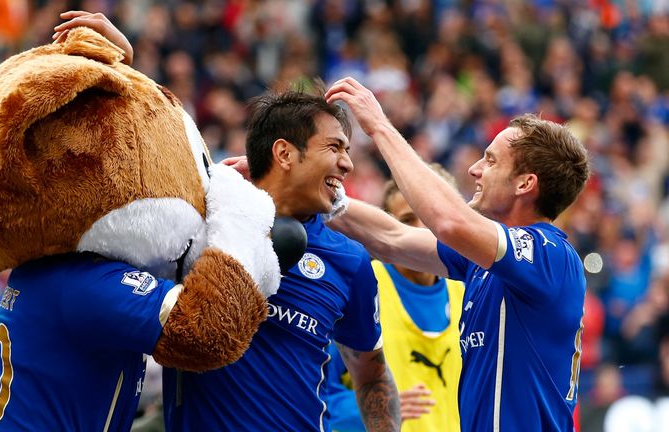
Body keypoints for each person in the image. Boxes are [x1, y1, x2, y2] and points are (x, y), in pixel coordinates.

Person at [55, 13, 400, 431]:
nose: (347, 163)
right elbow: (143, 149)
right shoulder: (202, 219)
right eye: (334, 147)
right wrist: (121, 62)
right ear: (285, 154)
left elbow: (371, 372)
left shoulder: (349, 261)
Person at [325, 77, 589, 431]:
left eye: (491, 161)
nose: (474, 169)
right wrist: (304, 190)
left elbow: (449, 222)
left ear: (525, 184)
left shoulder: (550, 255)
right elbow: (390, 237)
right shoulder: (485, 263)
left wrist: (380, 126)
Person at [325, 171, 465, 432]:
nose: (422, 230)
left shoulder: (469, 293)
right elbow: (318, 388)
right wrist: (371, 407)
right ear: (388, 228)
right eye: (407, 220)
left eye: (430, 218)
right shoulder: (363, 285)